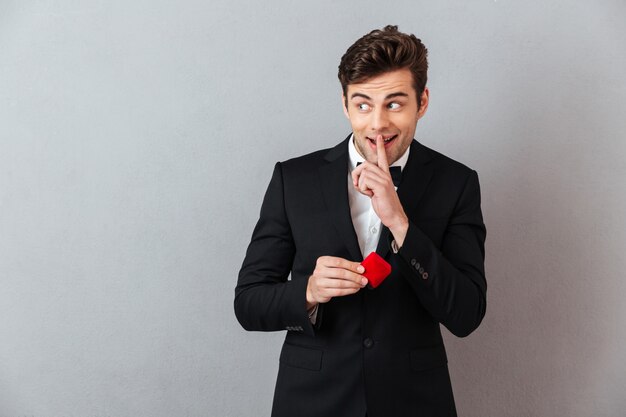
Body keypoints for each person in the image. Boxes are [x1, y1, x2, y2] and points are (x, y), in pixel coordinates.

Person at [235, 25, 486, 417]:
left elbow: (467, 313)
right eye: (363, 105)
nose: (377, 124)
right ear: (345, 104)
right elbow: (248, 303)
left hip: (415, 401)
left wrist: (401, 225)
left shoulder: (457, 183)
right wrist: (310, 291)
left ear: (422, 102)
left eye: (395, 104)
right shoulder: (293, 179)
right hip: (311, 400)